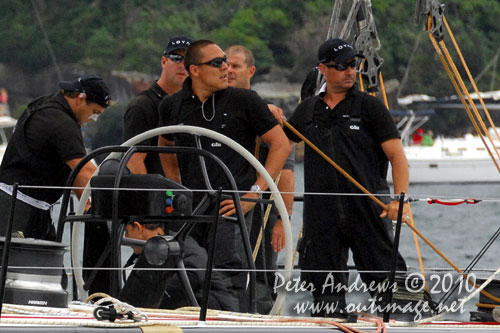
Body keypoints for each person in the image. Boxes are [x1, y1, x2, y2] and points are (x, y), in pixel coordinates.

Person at [157, 40, 291, 312]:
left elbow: (282, 146)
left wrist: (255, 192)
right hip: (191, 208)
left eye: (227, 62)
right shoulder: (173, 105)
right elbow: (165, 145)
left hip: (233, 205)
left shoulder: (245, 101)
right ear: (194, 70)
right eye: (217, 63)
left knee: (228, 279)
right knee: (188, 273)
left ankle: (231, 323)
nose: (225, 68)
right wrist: (177, 187)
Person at [284, 38, 409, 317]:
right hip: (322, 214)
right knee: (326, 295)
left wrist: (400, 201)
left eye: (353, 65)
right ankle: (332, 319)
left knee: (391, 281)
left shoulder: (370, 107)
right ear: (323, 69)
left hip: (368, 208)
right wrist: (267, 115)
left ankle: (415, 318)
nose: (350, 71)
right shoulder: (307, 110)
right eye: (341, 66)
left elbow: (397, 157)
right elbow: (281, 143)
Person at [225, 44, 294, 313]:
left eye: (236, 66)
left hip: (261, 212)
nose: (229, 71)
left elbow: (286, 173)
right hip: (226, 206)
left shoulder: (264, 114)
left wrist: (282, 221)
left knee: (261, 277)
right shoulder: (215, 107)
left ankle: (260, 316)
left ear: (250, 71)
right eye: (225, 65)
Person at [0, 75, 112, 240]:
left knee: (48, 260)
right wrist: (112, 203)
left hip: (33, 207)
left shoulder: (46, 105)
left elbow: (73, 170)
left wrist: (87, 203)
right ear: (81, 98)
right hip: (18, 208)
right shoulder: (61, 123)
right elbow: (84, 169)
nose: (93, 119)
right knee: (24, 262)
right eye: (94, 113)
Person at [120, 220, 238, 311]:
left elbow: (195, 275)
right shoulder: (149, 255)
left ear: (138, 227)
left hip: (214, 310)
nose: (126, 237)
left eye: (127, 231)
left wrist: (156, 296)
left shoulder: (185, 245)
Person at [123, 36, 193, 175]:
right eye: (176, 58)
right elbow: (134, 162)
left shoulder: (195, 105)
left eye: (188, 60)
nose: (182, 65)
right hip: (159, 191)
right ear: (164, 61)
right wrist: (150, 195)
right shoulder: (143, 105)